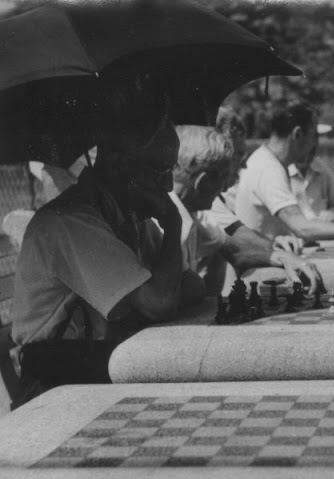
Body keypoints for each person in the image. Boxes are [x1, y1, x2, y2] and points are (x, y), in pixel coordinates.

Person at [11, 86, 205, 391]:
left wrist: (162, 290)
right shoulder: (71, 223)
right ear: (117, 165)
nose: (168, 185)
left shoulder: (125, 213)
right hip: (57, 384)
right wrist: (173, 221)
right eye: (160, 169)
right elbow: (161, 303)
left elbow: (191, 283)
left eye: (172, 168)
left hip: (98, 367)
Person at [174, 120, 323, 295]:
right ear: (203, 182)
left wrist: (280, 256)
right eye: (221, 179)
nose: (223, 189)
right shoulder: (166, 218)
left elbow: (235, 249)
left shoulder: (195, 212)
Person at [234, 103, 334, 243]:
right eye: (313, 135)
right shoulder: (267, 168)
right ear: (298, 134)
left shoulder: (269, 161)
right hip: (258, 262)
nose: (315, 143)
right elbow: (302, 228)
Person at [287, 125, 334, 223]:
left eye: (311, 152)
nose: (307, 157)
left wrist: (333, 211)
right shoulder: (281, 171)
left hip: (320, 231)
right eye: (303, 153)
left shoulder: (319, 167)